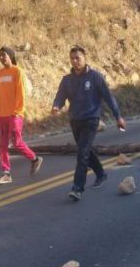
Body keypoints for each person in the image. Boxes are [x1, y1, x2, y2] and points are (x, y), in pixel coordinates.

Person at [52, 46, 126, 202]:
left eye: (78, 58)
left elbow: (109, 97)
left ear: (85, 58)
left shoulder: (95, 77)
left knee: (82, 154)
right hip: (75, 119)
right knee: (84, 150)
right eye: (72, 58)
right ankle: (100, 173)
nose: (75, 61)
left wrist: (118, 116)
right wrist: (56, 105)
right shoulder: (67, 80)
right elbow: (60, 95)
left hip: (91, 119)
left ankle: (77, 188)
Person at [0, 46, 43, 185]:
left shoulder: (17, 71)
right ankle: (6, 173)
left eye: (4, 55)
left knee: (16, 142)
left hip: (15, 113)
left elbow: (20, 92)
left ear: (10, 55)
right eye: (0, 55)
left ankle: (34, 159)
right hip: (1, 114)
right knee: (2, 145)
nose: (2, 58)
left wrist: (17, 111)